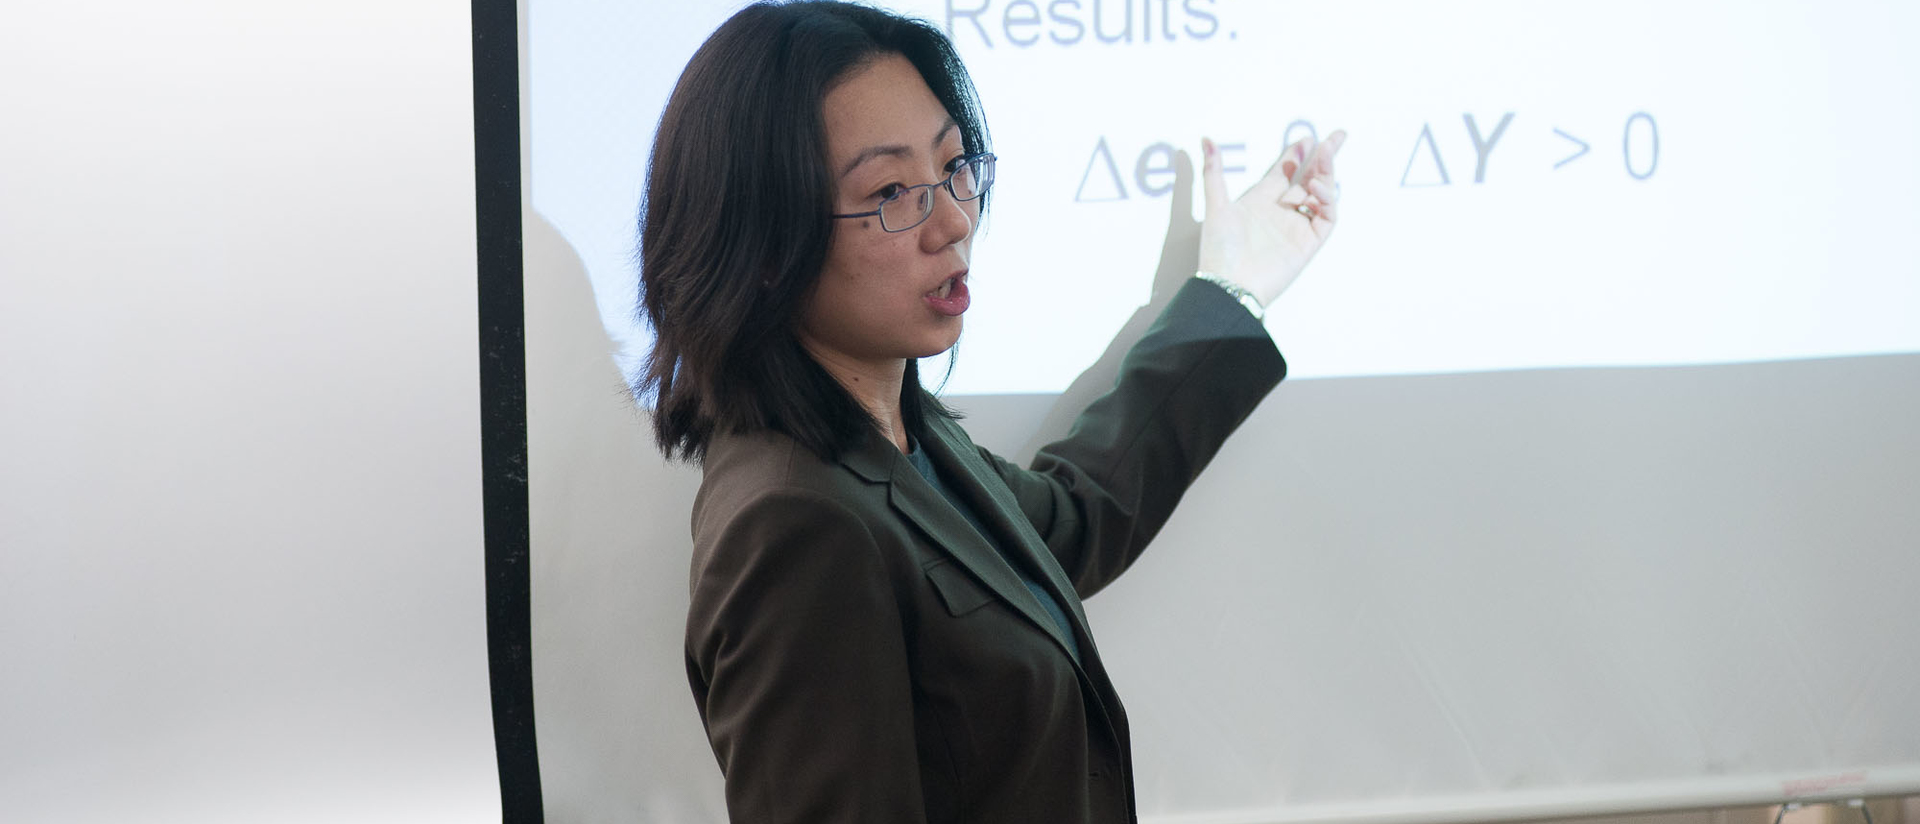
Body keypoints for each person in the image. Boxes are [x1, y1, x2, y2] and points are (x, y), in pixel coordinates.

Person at [636, 2, 1344, 822]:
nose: (955, 221)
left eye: (954, 167)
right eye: (892, 191)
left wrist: (1234, 287)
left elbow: (1072, 518)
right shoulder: (795, 527)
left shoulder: (899, 435)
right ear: (762, 245)